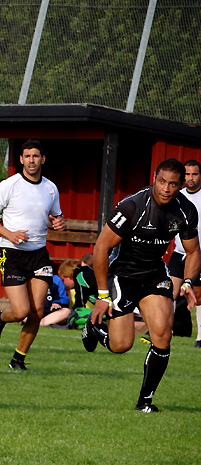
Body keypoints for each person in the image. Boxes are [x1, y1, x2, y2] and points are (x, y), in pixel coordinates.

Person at [81, 158, 200, 413]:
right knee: (121, 345)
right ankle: (95, 331)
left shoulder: (186, 210)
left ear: (180, 186)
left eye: (172, 184)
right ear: (154, 177)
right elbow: (101, 248)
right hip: (122, 275)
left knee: (163, 335)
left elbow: (193, 251)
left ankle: (145, 401)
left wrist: (188, 281)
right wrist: (102, 295)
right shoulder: (132, 207)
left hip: (154, 274)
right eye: (162, 182)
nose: (166, 189)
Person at [0, 139, 66, 370]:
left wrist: (59, 224)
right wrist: (8, 233)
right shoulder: (9, 185)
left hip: (39, 254)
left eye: (36, 156)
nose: (31, 160)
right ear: (21, 159)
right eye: (27, 156)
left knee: (37, 311)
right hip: (12, 253)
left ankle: (18, 360)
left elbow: (54, 218)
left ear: (43, 159)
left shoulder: (51, 188)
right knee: (21, 311)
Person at [166, 159, 201, 343]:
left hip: (198, 254)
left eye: (194, 174)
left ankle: (200, 338)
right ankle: (163, 330)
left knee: (199, 297)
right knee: (169, 291)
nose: (190, 178)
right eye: (187, 174)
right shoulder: (177, 196)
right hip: (180, 253)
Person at [39, 260, 74, 327]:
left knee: (66, 311)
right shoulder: (32, 279)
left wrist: (57, 303)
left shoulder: (57, 280)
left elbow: (64, 298)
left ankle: (41, 323)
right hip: (36, 311)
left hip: (51, 313)